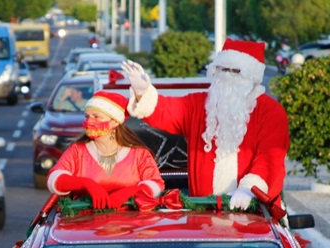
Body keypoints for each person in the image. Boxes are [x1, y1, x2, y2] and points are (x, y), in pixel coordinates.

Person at [122, 39, 290, 214]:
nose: (227, 75)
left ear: (251, 76)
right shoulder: (199, 104)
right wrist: (144, 93)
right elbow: (167, 111)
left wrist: (250, 189)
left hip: (252, 214)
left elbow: (271, 159)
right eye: (222, 69)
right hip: (201, 216)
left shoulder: (270, 111)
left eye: (235, 71)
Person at [46, 90, 165, 210]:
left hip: (131, 225)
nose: (89, 122)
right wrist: (86, 184)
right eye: (87, 116)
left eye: (96, 117)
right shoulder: (77, 151)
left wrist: (130, 192)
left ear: (114, 122)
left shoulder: (139, 154)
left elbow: (156, 184)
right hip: (85, 225)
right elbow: (54, 179)